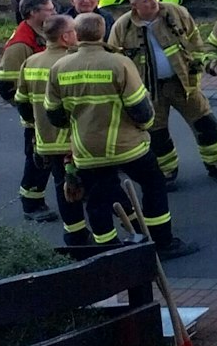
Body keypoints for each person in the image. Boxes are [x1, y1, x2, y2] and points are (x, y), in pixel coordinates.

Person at [45, 13, 198, 259]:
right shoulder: (119, 63)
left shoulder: (60, 67)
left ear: (78, 34)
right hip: (127, 147)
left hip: (87, 151)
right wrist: (145, 126)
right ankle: (162, 242)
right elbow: (140, 108)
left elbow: (53, 114)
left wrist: (76, 125)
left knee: (97, 200)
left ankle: (108, 252)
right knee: (153, 184)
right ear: (102, 32)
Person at [108, 0, 217, 186]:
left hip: (183, 84)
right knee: (157, 134)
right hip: (150, 89)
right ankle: (167, 173)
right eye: (146, 1)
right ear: (134, 6)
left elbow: (194, 38)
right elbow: (115, 59)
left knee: (205, 124)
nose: (153, 3)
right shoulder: (122, 27)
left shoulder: (176, 12)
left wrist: (197, 65)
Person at [14, 14, 88, 246]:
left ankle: (75, 235)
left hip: (47, 140)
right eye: (74, 31)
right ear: (66, 37)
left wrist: (35, 130)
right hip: (77, 139)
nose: (77, 35)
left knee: (63, 187)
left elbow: (22, 101)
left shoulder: (31, 62)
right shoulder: (74, 61)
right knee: (96, 186)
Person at [0, 0, 58, 221]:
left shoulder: (38, 35)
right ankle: (32, 204)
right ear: (34, 13)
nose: (53, 12)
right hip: (37, 114)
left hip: (46, 109)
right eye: (49, 9)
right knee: (37, 158)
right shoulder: (21, 44)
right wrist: (29, 111)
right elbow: (5, 84)